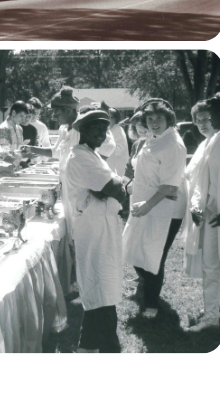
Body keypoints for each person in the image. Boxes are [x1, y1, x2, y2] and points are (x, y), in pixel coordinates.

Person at [63, 110, 130, 352]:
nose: (101, 134)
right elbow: (111, 186)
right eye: (96, 129)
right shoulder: (80, 157)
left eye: (105, 129)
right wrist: (116, 184)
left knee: (103, 287)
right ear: (82, 130)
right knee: (100, 288)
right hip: (92, 230)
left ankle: (87, 346)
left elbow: (110, 187)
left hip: (102, 225)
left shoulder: (94, 155)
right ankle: (111, 348)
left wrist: (113, 186)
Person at [120, 100, 187, 321]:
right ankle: (147, 288)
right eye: (150, 119)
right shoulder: (154, 139)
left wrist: (147, 205)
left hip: (163, 208)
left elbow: (169, 185)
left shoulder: (172, 144)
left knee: (153, 254)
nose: (154, 123)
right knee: (136, 248)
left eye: (159, 119)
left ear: (169, 119)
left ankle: (151, 304)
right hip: (144, 205)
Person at [182, 96, 220, 329]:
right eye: (198, 120)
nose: (202, 123)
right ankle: (211, 315)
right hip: (210, 215)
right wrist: (196, 206)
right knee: (212, 267)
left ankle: (215, 311)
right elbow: (198, 180)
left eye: (207, 118)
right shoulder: (206, 143)